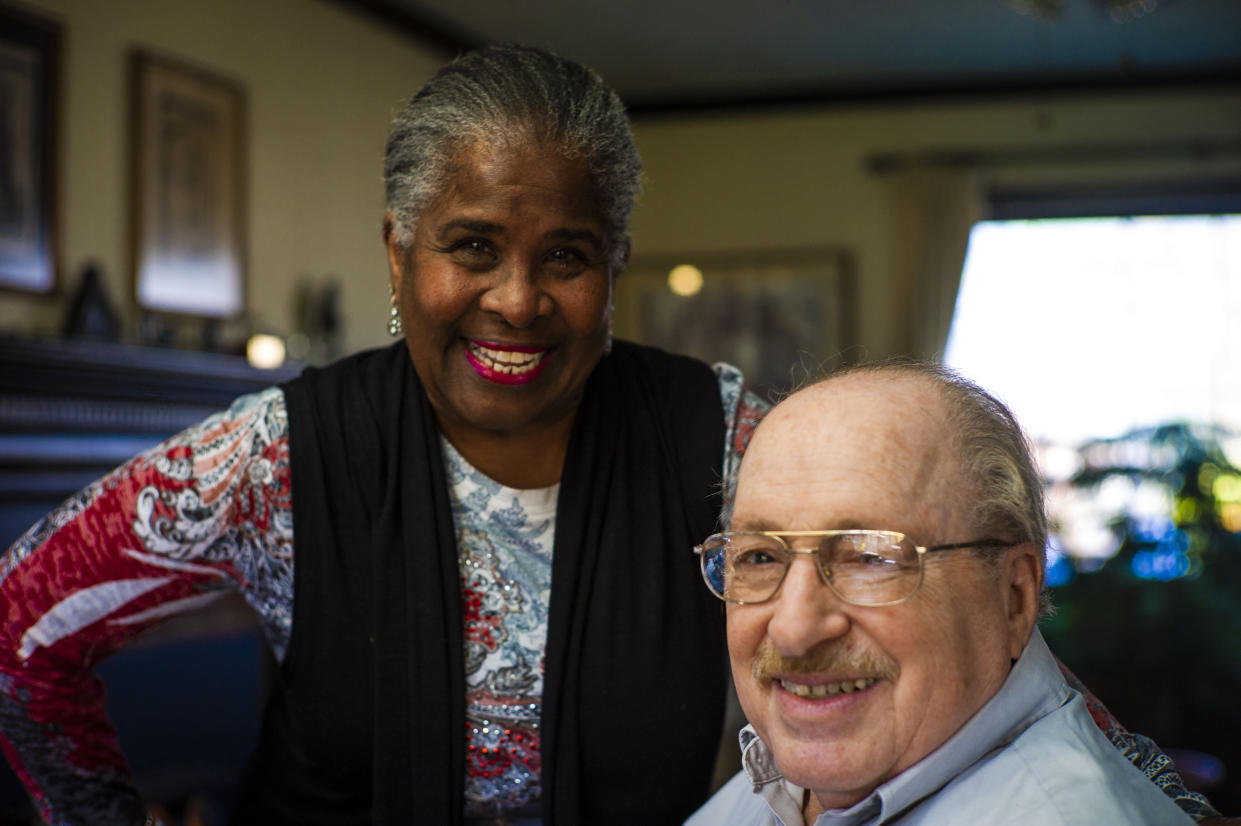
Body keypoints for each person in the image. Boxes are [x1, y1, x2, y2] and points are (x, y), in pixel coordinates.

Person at [0, 46, 1216, 826]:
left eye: (566, 257)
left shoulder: (725, 437)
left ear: (614, 266)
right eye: (471, 245)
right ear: (397, 253)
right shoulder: (269, 458)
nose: (519, 299)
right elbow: (21, 629)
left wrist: (1157, 800)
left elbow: (980, 629)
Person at [686, 362, 1214, 825]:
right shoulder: (794, 782)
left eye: (871, 557)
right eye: (759, 556)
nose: (793, 629)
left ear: (1014, 596)